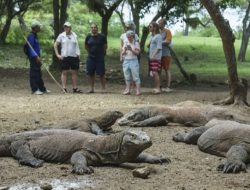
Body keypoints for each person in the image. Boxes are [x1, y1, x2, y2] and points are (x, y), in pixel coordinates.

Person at [54, 22, 82, 93]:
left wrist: (78, 54)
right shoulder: (61, 35)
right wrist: (57, 55)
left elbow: (77, 45)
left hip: (74, 56)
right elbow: (55, 45)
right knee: (64, 72)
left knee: (74, 72)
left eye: (68, 27)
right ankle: (64, 88)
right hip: (65, 56)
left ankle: (75, 88)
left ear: (70, 28)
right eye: (65, 27)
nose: (66, 28)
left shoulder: (74, 35)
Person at [27, 20, 49, 95]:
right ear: (35, 27)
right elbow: (30, 48)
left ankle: (42, 88)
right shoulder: (31, 36)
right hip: (34, 58)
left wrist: (39, 57)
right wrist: (36, 57)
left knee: (39, 73)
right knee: (34, 73)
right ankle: (35, 89)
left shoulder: (35, 35)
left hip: (37, 57)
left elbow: (36, 47)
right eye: (38, 27)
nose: (40, 28)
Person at [85, 23, 107, 93]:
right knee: (90, 73)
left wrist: (102, 54)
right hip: (91, 57)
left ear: (97, 28)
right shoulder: (88, 37)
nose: (93, 29)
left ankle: (103, 88)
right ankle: (91, 88)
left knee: (101, 73)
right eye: (92, 27)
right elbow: (86, 46)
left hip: (99, 57)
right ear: (90, 29)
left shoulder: (102, 36)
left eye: (95, 27)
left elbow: (105, 46)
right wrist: (90, 52)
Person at [121, 30, 141, 95]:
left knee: (136, 76)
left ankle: (138, 90)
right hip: (126, 61)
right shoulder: (125, 43)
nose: (129, 38)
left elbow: (137, 53)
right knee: (127, 76)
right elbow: (123, 53)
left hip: (134, 61)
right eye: (128, 37)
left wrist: (131, 50)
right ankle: (128, 90)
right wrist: (125, 50)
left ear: (133, 36)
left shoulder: (136, 43)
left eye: (130, 37)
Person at [158, 18, 173, 92]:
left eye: (160, 23)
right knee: (158, 70)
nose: (159, 24)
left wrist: (159, 42)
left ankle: (168, 87)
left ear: (164, 24)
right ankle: (159, 86)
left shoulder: (167, 31)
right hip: (158, 54)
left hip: (166, 54)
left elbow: (168, 41)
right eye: (158, 23)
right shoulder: (157, 32)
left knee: (167, 69)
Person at [148, 22, 163, 94]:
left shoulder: (158, 36)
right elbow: (148, 46)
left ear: (155, 28)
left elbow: (159, 47)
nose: (149, 28)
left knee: (155, 72)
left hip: (156, 57)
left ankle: (158, 88)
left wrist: (153, 56)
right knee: (154, 73)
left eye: (150, 27)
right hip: (152, 57)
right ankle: (156, 87)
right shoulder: (152, 36)